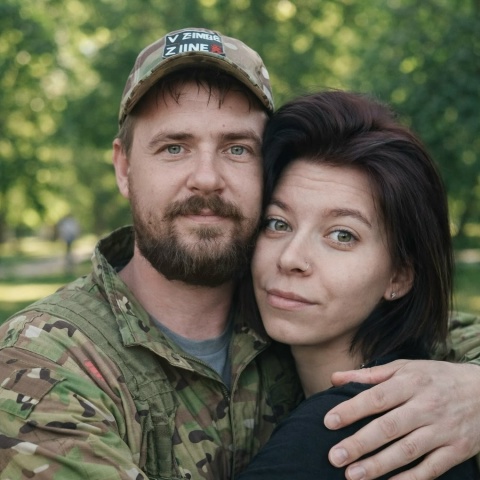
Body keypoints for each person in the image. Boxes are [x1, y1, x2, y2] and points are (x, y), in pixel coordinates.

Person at [0, 27, 479, 480]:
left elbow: (435, 327)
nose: (207, 178)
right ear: (124, 168)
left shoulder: (295, 314)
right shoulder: (42, 363)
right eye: (174, 148)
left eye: (237, 149)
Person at [236, 90, 480, 479]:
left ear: (399, 276)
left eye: (342, 235)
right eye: (277, 223)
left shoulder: (331, 436)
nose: (290, 258)